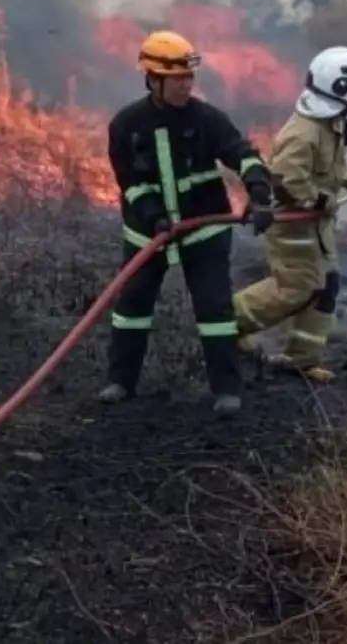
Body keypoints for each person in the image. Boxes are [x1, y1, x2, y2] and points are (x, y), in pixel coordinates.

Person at [99, 29, 275, 416]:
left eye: (189, 77)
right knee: (132, 306)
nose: (186, 86)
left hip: (204, 230)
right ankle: (120, 381)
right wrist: (155, 218)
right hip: (147, 233)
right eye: (177, 79)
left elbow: (241, 153)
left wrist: (259, 192)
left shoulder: (207, 119)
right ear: (153, 79)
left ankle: (227, 390)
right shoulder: (125, 125)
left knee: (214, 309)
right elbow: (130, 184)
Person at [232, 46, 347, 384]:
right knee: (295, 287)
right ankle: (225, 323)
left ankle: (301, 359)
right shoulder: (304, 133)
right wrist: (316, 200)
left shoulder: (329, 124)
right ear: (340, 90)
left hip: (316, 226)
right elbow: (284, 179)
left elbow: (334, 166)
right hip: (293, 227)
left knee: (327, 284)